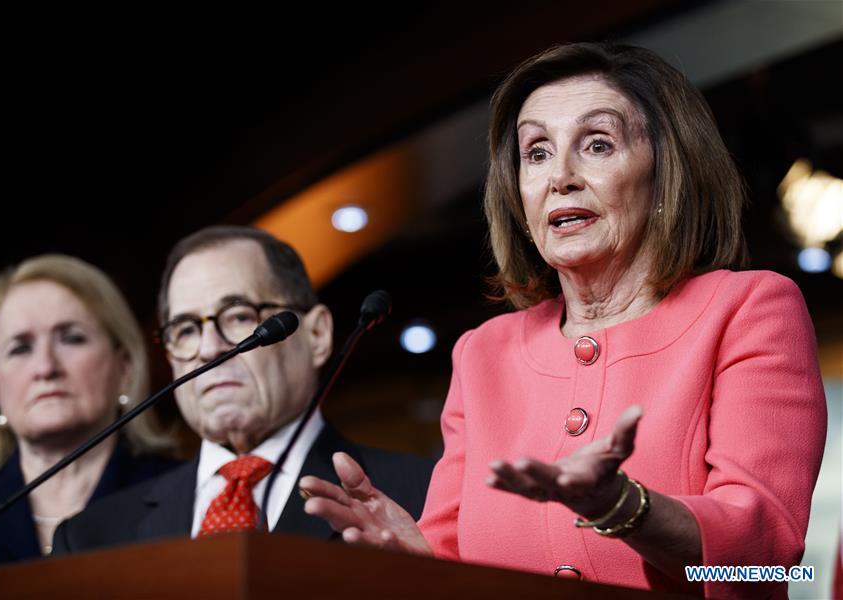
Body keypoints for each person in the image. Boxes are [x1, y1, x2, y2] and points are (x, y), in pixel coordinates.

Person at [299, 42, 827, 599]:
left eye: (598, 144)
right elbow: (456, 567)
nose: (561, 177)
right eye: (537, 153)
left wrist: (626, 510)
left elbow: (767, 564)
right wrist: (416, 562)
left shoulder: (748, 309)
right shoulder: (483, 353)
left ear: (668, 172)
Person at [53, 226, 434, 550]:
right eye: (185, 329)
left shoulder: (424, 495)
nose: (208, 349)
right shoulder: (92, 535)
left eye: (238, 316)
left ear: (317, 334)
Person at [0, 255, 179, 571]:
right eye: (20, 348)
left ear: (124, 369)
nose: (45, 368)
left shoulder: (185, 494)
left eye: (72, 338)